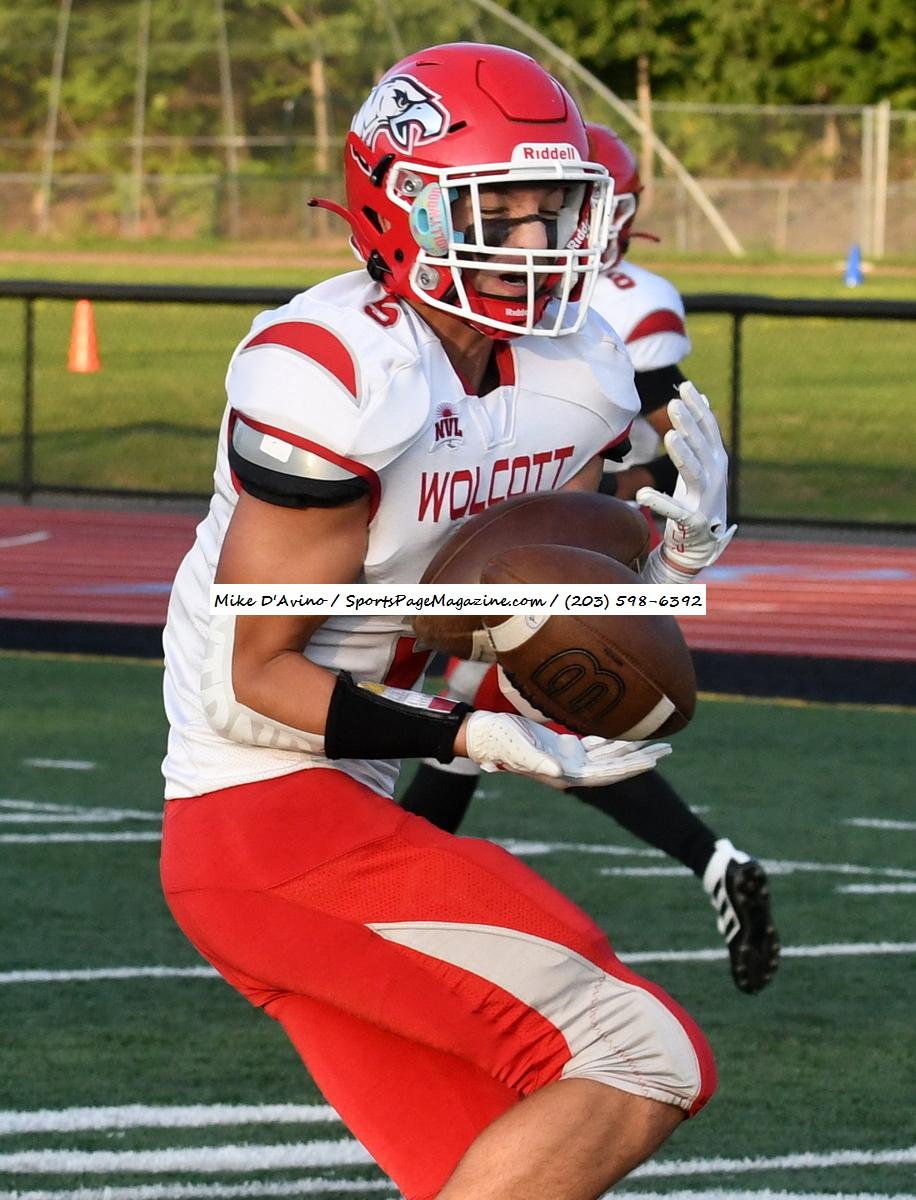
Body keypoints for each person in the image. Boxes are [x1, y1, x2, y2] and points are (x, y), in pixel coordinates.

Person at [159, 44, 730, 1200]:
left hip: (329, 815)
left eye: (551, 208)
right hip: (265, 816)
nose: (532, 241)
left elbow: (540, 591)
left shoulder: (576, 364)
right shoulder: (339, 373)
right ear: (398, 208)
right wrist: (468, 735)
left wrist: (673, 552)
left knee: (498, 1160)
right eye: (494, 211)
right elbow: (253, 679)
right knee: (642, 1055)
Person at [399, 122, 780, 997]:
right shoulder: (513, 303)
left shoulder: (616, 308)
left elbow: (660, 450)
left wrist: (628, 529)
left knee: (499, 718)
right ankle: (712, 862)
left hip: (580, 540)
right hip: (532, 533)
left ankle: (395, 900)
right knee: (482, 723)